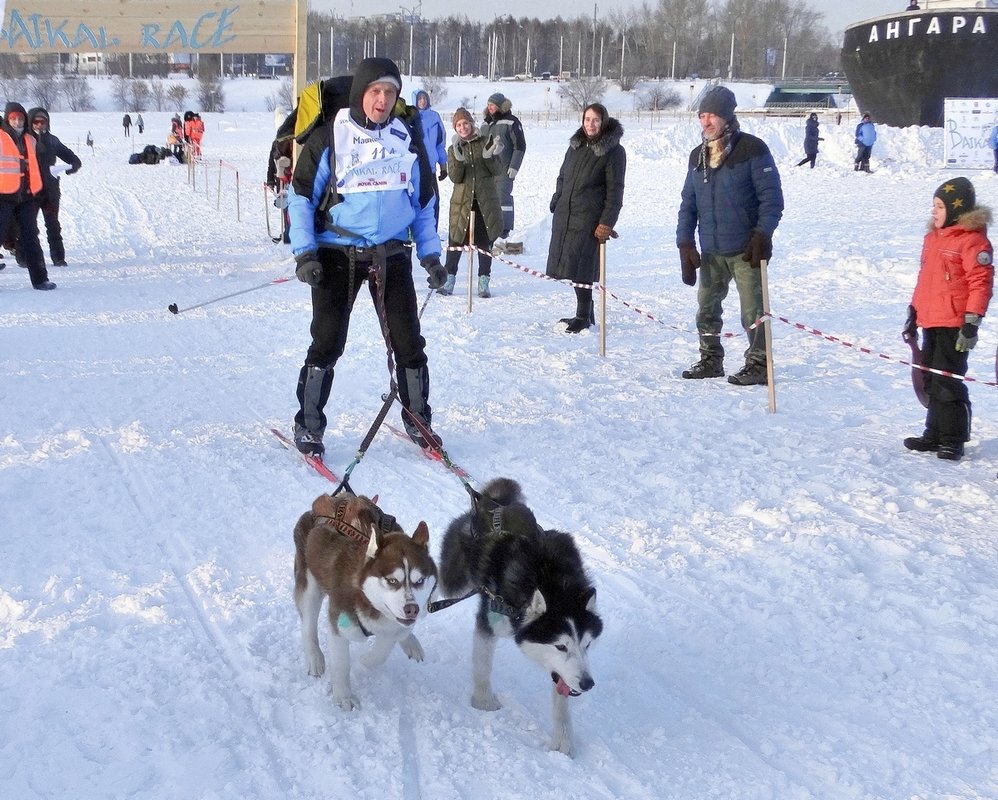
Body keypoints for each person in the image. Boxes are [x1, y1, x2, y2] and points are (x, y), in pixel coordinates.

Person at [286, 57, 445, 457]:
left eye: (391, 92)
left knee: (409, 342)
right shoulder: (330, 137)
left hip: (391, 254)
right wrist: (304, 253)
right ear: (361, 92)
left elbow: (424, 202)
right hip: (335, 255)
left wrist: (430, 256)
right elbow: (301, 196)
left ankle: (419, 420)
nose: (383, 99)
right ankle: (308, 425)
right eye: (376, 91)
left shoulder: (406, 137)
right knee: (326, 342)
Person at [676, 85, 784, 385]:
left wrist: (763, 235)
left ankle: (759, 363)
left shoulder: (752, 149)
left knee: (753, 310)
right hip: (711, 249)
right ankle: (710, 359)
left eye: (712, 115)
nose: (706, 121)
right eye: (702, 115)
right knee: (707, 309)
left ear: (726, 117)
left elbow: (772, 199)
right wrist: (684, 242)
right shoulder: (697, 156)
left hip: (745, 249)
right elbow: (689, 203)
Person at [902, 177, 993, 462]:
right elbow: (925, 281)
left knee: (948, 382)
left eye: (939, 206)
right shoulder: (932, 239)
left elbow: (981, 282)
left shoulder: (973, 241)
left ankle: (953, 438)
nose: (934, 212)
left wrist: (972, 320)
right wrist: (913, 312)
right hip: (930, 319)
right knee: (930, 377)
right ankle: (934, 433)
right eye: (933, 206)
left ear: (956, 209)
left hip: (955, 324)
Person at [546, 103, 626, 333]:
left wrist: (607, 222)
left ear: (604, 122)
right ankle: (585, 312)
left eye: (596, 120)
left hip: (589, 218)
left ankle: (583, 315)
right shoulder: (575, 146)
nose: (590, 124)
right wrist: (557, 198)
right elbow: (563, 176)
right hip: (566, 214)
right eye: (587, 119)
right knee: (572, 264)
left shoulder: (614, 151)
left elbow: (615, 191)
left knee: (584, 266)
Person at [439, 107, 505, 299]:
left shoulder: (486, 142)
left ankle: (484, 282)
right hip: (462, 204)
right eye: (459, 125)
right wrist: (458, 158)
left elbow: (497, 170)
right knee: (456, 241)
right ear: (455, 128)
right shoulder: (453, 149)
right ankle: (449, 279)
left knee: (485, 243)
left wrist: (489, 156)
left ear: (471, 123)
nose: (463, 127)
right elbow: (455, 177)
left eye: (465, 123)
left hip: (485, 203)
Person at [0, 102, 54, 289]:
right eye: (13, 118)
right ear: (8, 119)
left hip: (28, 197)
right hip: (4, 196)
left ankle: (40, 279)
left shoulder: (31, 140)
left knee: (31, 237)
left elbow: (39, 169)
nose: (17, 122)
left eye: (20, 118)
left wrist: (44, 194)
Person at [23, 108, 82, 267]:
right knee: (29, 227)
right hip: (31, 192)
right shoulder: (25, 140)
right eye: (36, 121)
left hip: (50, 191)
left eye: (43, 122)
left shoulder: (52, 140)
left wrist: (73, 166)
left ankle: (58, 257)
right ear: (30, 122)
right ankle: (24, 258)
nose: (40, 125)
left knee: (53, 225)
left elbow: (73, 158)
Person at [480, 92, 526, 245]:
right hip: (487, 170)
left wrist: (514, 166)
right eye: (488, 105)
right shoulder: (485, 124)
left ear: (501, 106)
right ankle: (488, 228)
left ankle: (504, 231)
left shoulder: (512, 122)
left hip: (504, 169)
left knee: (503, 198)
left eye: (493, 105)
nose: (490, 108)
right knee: (488, 199)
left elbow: (519, 146)